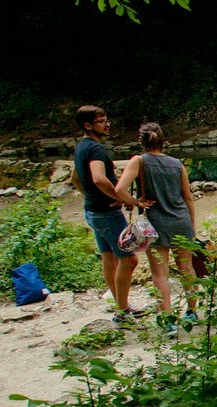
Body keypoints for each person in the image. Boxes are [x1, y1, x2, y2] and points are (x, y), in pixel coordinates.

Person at [114, 122, 198, 335]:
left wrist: (136, 202)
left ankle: (169, 321)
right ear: (162, 140)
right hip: (181, 220)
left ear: (141, 141)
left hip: (156, 223)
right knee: (186, 266)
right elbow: (188, 196)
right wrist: (192, 224)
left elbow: (119, 189)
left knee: (160, 272)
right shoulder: (177, 163)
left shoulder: (139, 161)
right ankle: (192, 311)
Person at [74, 105, 149, 325]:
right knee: (130, 259)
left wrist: (92, 196)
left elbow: (76, 178)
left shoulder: (81, 147)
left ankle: (121, 305)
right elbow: (98, 178)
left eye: (107, 120)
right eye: (102, 121)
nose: (107, 124)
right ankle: (123, 311)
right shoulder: (96, 150)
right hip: (106, 213)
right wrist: (125, 197)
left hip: (92, 211)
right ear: (88, 125)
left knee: (109, 258)